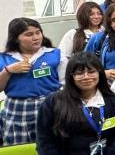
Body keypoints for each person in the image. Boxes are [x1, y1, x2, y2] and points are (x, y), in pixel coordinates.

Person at [0, 18, 66, 146]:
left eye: (38, 32)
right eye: (29, 34)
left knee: (52, 145)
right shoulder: (5, 58)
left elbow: (66, 84)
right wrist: (8, 71)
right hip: (17, 109)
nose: (36, 37)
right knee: (18, 148)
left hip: (49, 104)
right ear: (15, 38)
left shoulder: (54, 54)